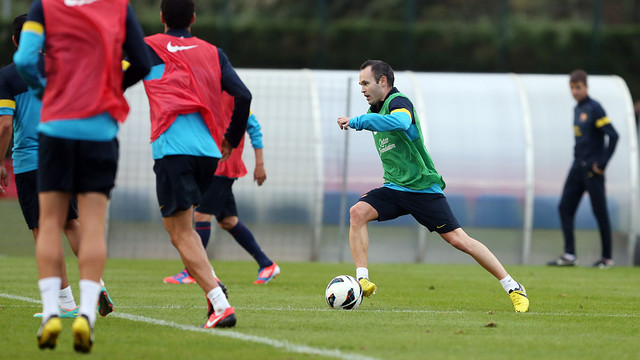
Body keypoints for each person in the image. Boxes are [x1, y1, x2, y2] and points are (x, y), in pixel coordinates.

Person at [337, 60, 529, 313]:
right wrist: (365, 120)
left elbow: (401, 123)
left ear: (382, 82)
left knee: (459, 241)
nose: (361, 88)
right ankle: (362, 280)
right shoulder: (375, 111)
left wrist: (358, 122)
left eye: (365, 82)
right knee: (357, 213)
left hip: (422, 189)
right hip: (394, 188)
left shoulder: (398, 102)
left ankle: (513, 287)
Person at [14, 0, 150, 352]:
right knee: (91, 225)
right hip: (99, 132)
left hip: (56, 128)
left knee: (48, 224)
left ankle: (49, 313)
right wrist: (109, 87)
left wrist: (47, 91)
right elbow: (143, 61)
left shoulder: (44, 7)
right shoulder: (119, 8)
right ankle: (86, 314)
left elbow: (26, 59)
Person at [138, 0, 251, 328]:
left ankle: (220, 303)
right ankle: (213, 286)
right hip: (208, 154)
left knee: (181, 232)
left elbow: (119, 77)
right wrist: (231, 137)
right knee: (179, 230)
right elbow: (243, 96)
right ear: (193, 19)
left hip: (174, 151)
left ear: (161, 18)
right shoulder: (213, 52)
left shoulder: (149, 47)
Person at [0, 14, 117, 321]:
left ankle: (65, 303)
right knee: (71, 223)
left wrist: (1, 162)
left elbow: (4, 127)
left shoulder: (9, 76)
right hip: (66, 156)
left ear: (15, 41)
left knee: (44, 231)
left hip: (30, 162)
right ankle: (97, 284)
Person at [164, 93, 280, 285]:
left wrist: (260, 164)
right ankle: (266, 264)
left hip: (223, 168)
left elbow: (254, 129)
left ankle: (192, 271)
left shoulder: (236, 97)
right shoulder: (204, 95)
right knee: (228, 221)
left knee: (201, 216)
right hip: (211, 165)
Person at [548, 69, 619, 269]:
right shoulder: (576, 109)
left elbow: (613, 136)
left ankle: (607, 258)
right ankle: (569, 255)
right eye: (572, 88)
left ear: (586, 87)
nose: (575, 91)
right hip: (577, 167)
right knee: (564, 208)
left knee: (600, 212)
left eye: (578, 87)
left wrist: (602, 163)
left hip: (592, 170)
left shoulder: (595, 108)